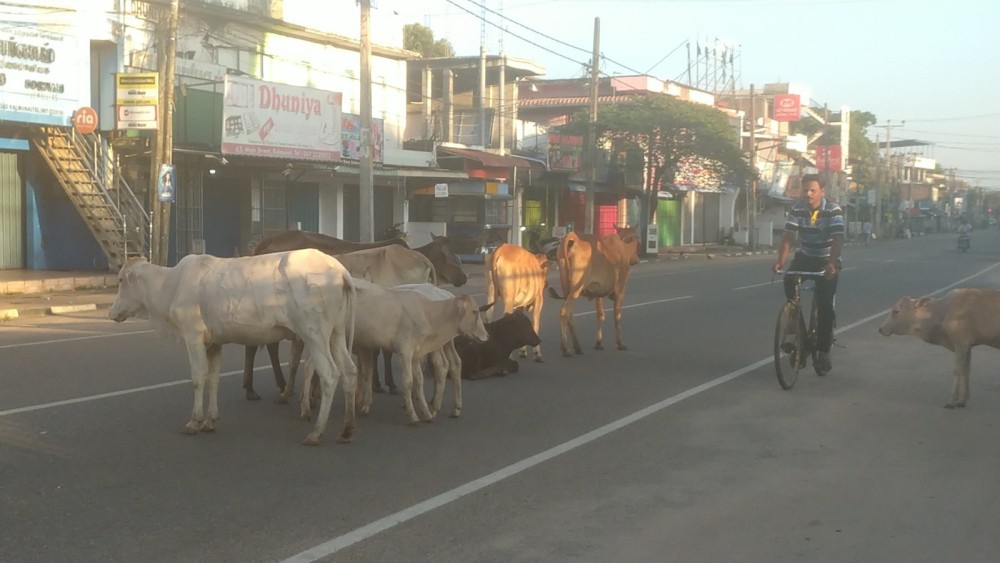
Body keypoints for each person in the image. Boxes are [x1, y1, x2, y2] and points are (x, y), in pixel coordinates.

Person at [773, 174, 844, 374]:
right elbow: (788, 237)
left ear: (822, 191)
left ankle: (823, 351)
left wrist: (832, 263)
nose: (808, 194)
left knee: (825, 307)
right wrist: (781, 260)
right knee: (789, 281)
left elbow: (838, 238)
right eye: (805, 190)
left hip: (826, 258)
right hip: (805, 256)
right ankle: (797, 336)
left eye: (813, 190)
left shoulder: (833, 210)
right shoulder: (797, 209)